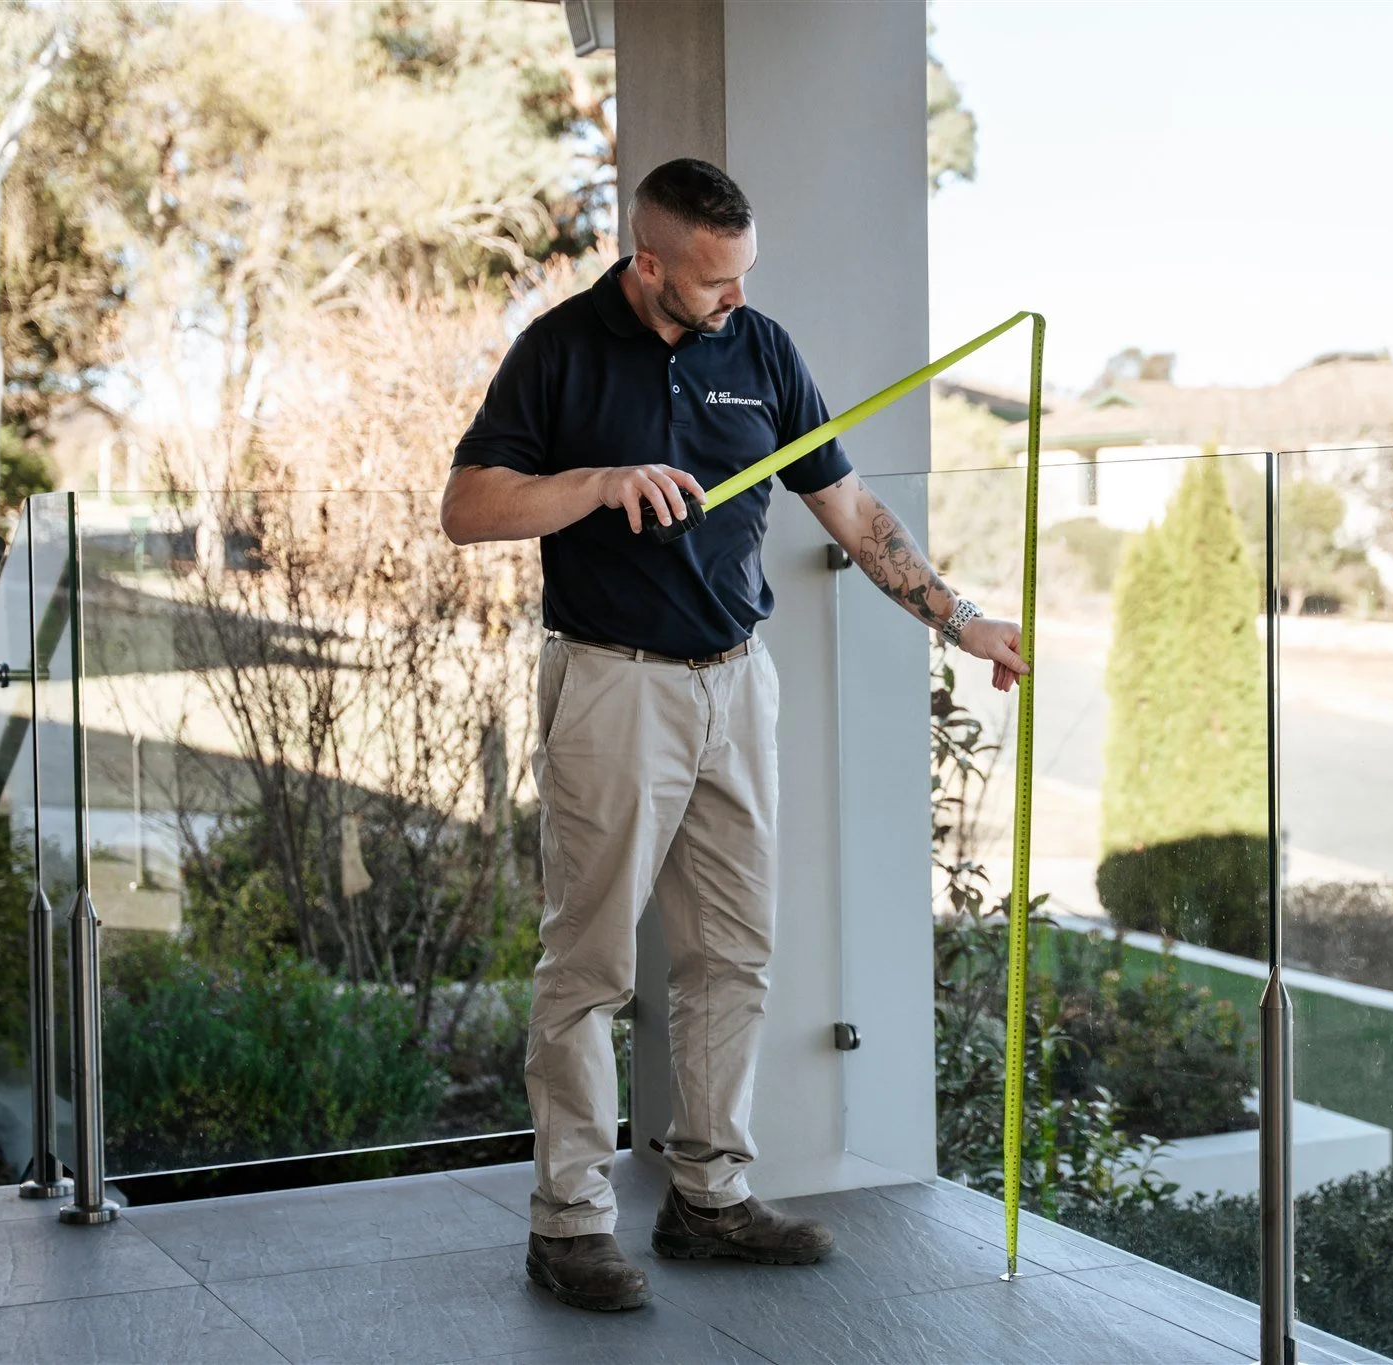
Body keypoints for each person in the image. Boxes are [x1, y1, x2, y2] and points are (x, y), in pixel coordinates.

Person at [438, 158, 1027, 1312]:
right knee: (590, 965)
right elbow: (468, 507)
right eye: (711, 282)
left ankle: (708, 1198)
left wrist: (962, 622)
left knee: (732, 954)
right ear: (647, 262)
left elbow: (851, 511)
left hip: (735, 684)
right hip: (612, 686)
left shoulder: (760, 351)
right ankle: (568, 1224)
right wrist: (597, 483)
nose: (734, 300)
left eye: (743, 275)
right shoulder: (558, 349)